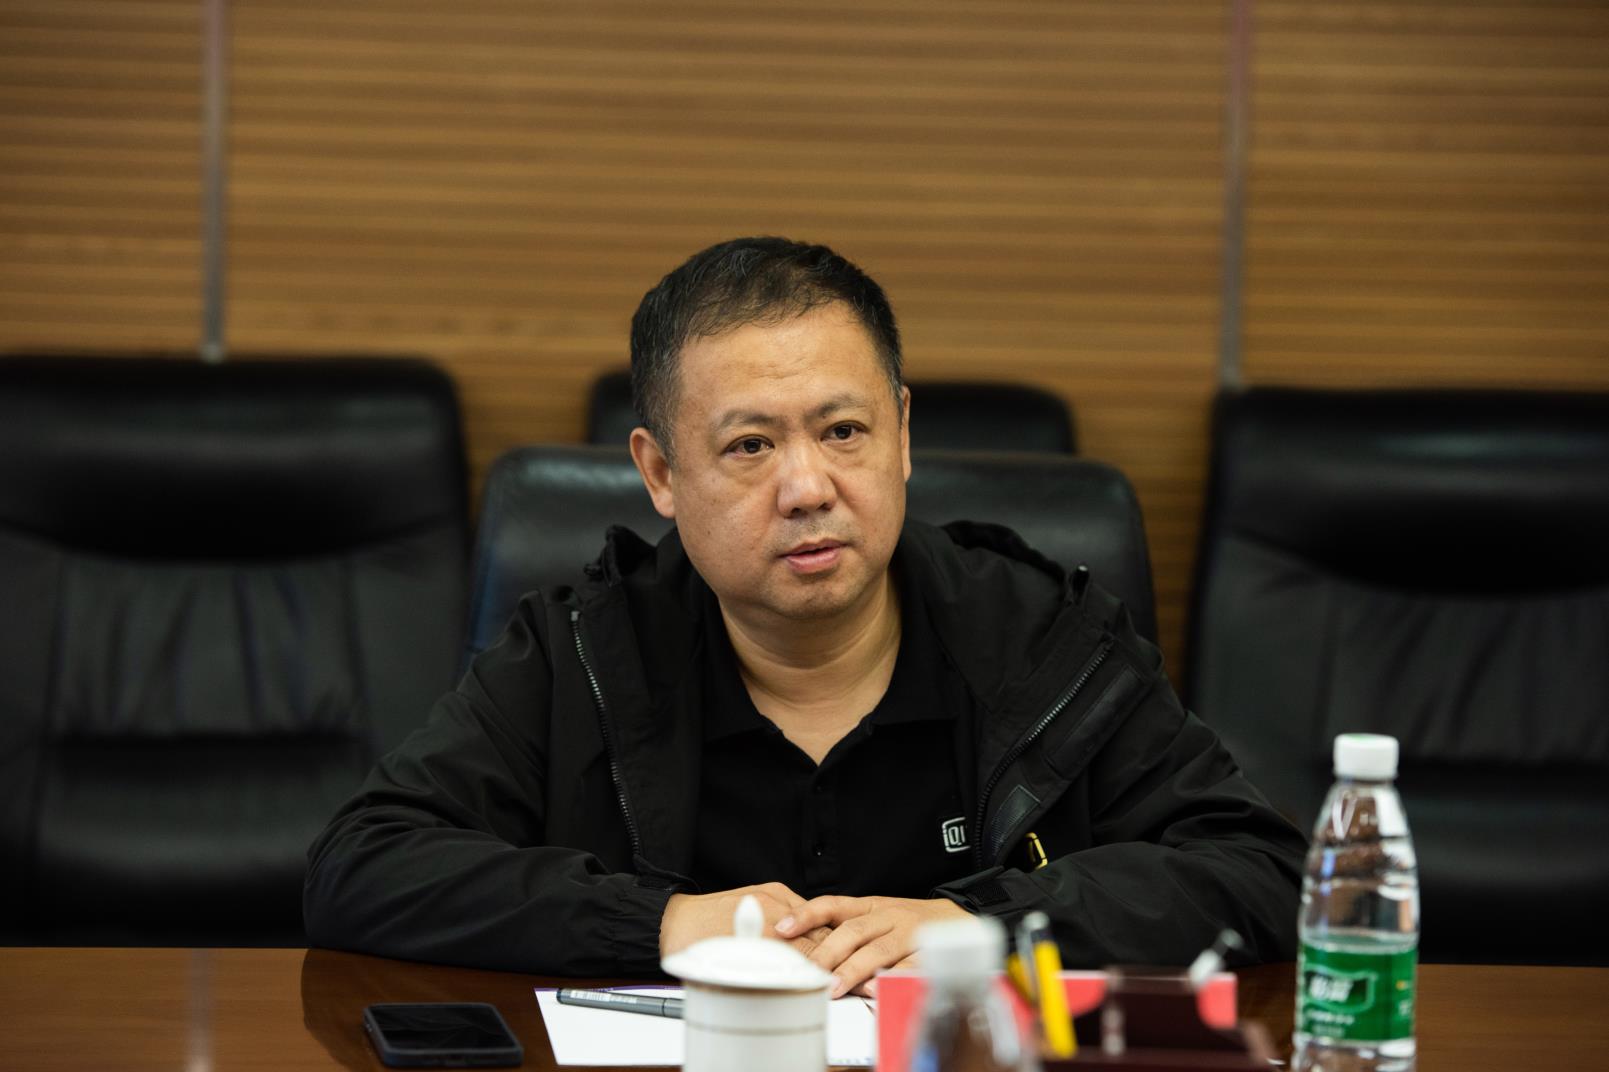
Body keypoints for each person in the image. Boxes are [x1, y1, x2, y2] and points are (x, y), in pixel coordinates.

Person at [304, 237, 1306, 997]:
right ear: (660, 473)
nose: (807, 487)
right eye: (749, 446)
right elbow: (363, 867)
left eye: (842, 431)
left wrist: (985, 927)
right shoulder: (583, 653)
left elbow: (1262, 873)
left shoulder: (1041, 639)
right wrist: (660, 925)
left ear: (900, 434)